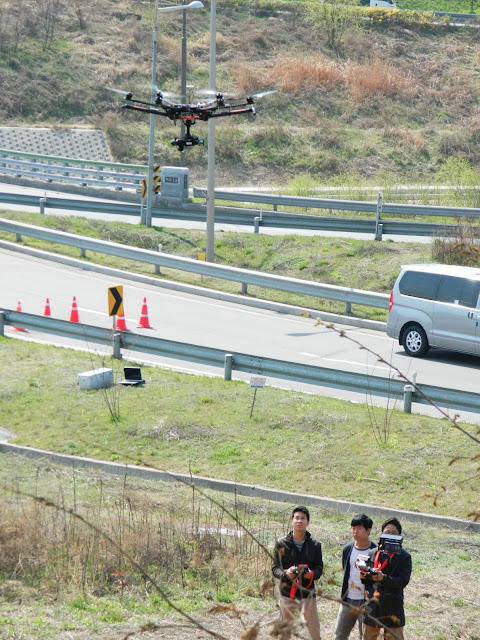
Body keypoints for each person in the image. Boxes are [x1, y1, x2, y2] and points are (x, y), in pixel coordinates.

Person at [272, 506, 323, 640]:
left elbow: (319, 568)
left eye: (303, 518)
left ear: (308, 522)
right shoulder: (281, 543)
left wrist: (311, 574)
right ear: (291, 521)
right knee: (284, 628)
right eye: (297, 518)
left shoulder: (315, 545)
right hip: (287, 592)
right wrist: (286, 573)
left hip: (307, 592)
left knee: (313, 629)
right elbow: (275, 569)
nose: (299, 521)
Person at [360, 517, 412, 640]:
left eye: (394, 533)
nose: (390, 536)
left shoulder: (404, 556)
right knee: (368, 636)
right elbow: (366, 579)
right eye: (387, 532)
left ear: (400, 536)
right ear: (381, 534)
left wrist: (384, 578)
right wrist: (363, 576)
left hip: (393, 605)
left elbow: (403, 581)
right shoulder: (373, 553)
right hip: (373, 604)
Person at [334, 514, 377, 640]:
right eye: (353, 528)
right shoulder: (347, 549)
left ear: (368, 530)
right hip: (348, 599)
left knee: (365, 636)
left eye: (359, 528)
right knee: (339, 635)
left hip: (367, 601)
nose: (355, 531)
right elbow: (346, 570)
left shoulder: (375, 550)